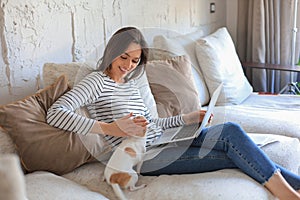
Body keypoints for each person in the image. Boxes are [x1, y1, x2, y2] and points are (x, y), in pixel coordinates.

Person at [47, 26, 300, 200]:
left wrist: (188, 119)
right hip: (146, 157)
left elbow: (152, 122)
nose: (127, 66)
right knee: (232, 153)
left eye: (134, 61)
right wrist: (112, 128)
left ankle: (291, 190)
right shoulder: (96, 82)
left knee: (231, 132)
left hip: (167, 138)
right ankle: (290, 193)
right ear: (112, 52)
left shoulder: (131, 82)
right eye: (123, 57)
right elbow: (56, 113)